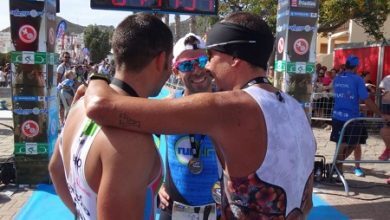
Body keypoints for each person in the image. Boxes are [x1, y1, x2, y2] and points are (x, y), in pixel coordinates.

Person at [84, 12, 316, 219]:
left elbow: (100, 105)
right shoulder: (296, 109)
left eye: (211, 57)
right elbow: (308, 203)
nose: (207, 69)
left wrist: (95, 79)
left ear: (234, 58)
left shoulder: (227, 107)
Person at [49, 13, 173, 219]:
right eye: (171, 62)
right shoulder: (131, 140)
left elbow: (55, 169)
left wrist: (79, 213)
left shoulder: (80, 104)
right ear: (161, 60)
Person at [158, 33, 222, 219]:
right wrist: (154, 183)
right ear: (176, 72)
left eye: (201, 61)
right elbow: (138, 139)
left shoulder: (227, 106)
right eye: (186, 65)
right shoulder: (168, 106)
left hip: (219, 210)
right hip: (173, 209)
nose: (197, 71)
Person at [330, 55, 390, 177]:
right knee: (352, 143)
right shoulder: (357, 80)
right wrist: (380, 114)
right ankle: (335, 166)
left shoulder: (338, 78)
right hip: (351, 118)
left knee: (341, 143)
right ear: (356, 67)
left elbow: (341, 95)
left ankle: (336, 169)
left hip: (337, 116)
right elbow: (366, 99)